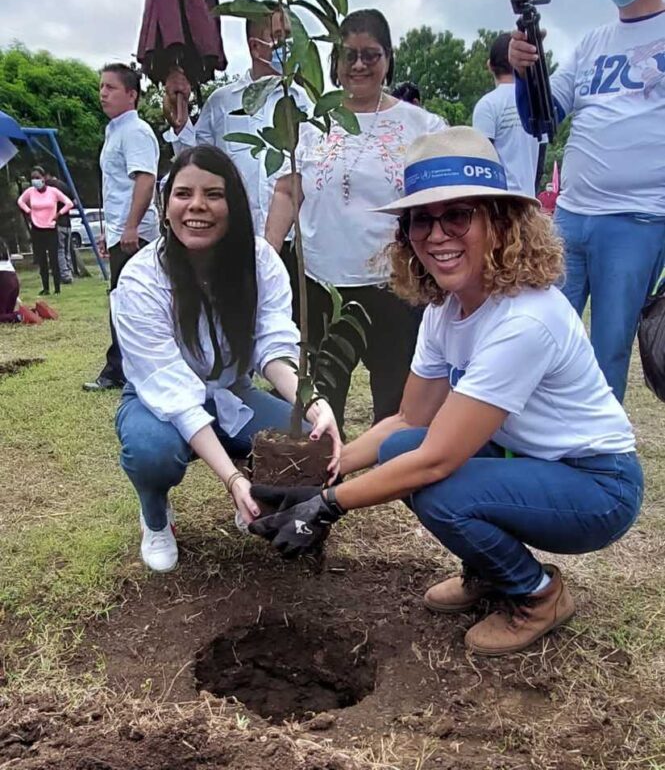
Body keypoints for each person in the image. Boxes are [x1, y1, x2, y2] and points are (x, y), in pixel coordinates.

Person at [250, 128, 643, 658]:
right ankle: (489, 571)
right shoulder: (445, 309)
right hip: (529, 461)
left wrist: (326, 506)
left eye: (456, 215)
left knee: (439, 487)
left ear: (500, 223)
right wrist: (321, 473)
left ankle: (537, 595)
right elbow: (407, 419)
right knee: (398, 450)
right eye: (420, 220)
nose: (436, 235)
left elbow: (436, 459)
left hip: (596, 486)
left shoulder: (526, 318)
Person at [112, 145, 340, 572]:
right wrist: (231, 477)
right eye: (183, 194)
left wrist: (311, 401)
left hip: (233, 392)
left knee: (313, 439)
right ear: (165, 207)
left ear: (234, 204)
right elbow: (174, 391)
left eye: (213, 194)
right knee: (151, 450)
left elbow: (273, 347)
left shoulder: (260, 262)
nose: (197, 206)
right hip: (157, 399)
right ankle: (156, 518)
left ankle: (261, 502)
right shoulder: (142, 277)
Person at [265, 9, 446, 431]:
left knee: (399, 403)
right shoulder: (310, 122)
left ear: (389, 58)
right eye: (349, 55)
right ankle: (317, 488)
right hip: (320, 286)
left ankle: (401, 483)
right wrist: (267, 256)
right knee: (316, 402)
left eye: (371, 54)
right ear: (334, 62)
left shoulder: (421, 127)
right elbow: (288, 190)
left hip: (395, 286)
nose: (360, 65)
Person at [510, 0, 665, 402]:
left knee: (608, 351)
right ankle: (540, 446)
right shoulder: (592, 43)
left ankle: (597, 460)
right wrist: (524, 70)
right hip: (573, 217)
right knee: (541, 337)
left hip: (638, 219)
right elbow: (543, 117)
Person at [162, 11, 310, 236]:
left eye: (289, 36)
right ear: (255, 47)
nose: (287, 45)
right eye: (278, 36)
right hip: (235, 235)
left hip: (293, 238)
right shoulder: (222, 102)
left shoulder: (301, 102)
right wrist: (181, 124)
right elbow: (195, 161)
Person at [83, 64, 160, 392]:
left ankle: (121, 370)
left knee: (130, 301)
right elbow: (116, 188)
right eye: (101, 86)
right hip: (120, 231)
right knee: (121, 299)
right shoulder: (114, 131)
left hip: (136, 234)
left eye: (111, 87)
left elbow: (145, 177)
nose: (103, 93)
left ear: (132, 95)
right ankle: (121, 367)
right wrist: (110, 231)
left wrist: (130, 227)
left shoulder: (136, 131)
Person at [472, 33, 540, 196]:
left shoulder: (488, 105)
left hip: (499, 203)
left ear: (490, 65)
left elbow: (480, 161)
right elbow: (541, 160)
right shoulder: (535, 102)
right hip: (529, 202)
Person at [17, 166, 73, 296]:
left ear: (44, 178)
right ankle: (45, 287)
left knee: (54, 258)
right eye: (32, 178)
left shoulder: (53, 191)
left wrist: (59, 213)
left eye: (37, 177)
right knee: (41, 259)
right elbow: (20, 201)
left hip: (51, 227)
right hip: (37, 228)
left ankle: (57, 287)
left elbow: (69, 203)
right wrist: (28, 211)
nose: (35, 180)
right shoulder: (30, 192)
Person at [46, 174, 75, 283]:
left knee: (60, 250)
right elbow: (74, 201)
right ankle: (70, 272)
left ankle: (65, 276)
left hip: (58, 222)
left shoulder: (50, 188)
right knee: (66, 250)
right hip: (67, 223)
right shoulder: (65, 186)